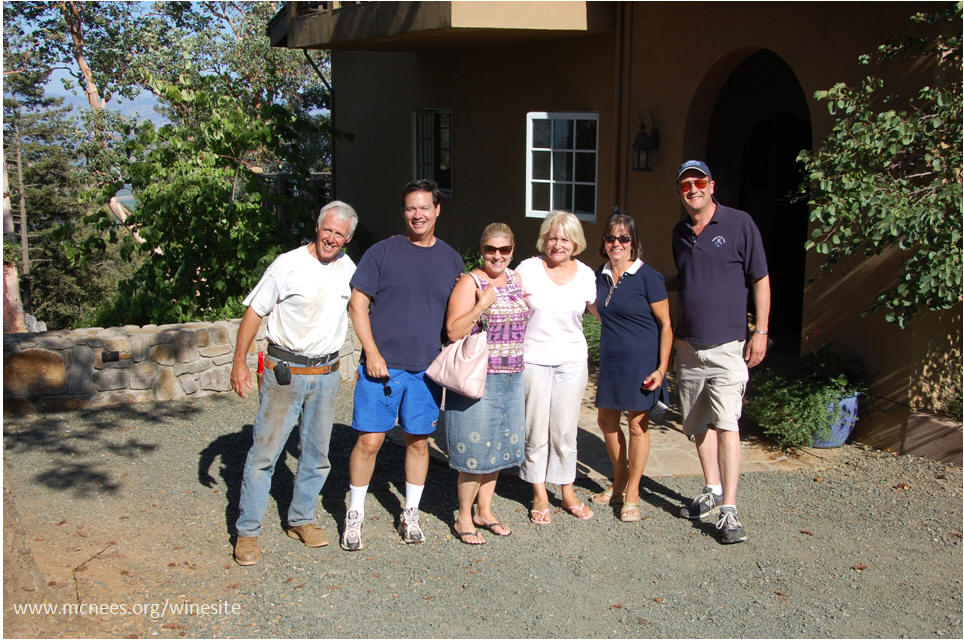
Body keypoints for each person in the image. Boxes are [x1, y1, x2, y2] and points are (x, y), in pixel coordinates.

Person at [230, 200, 359, 566]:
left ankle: (301, 519)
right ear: (317, 227)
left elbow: (362, 310)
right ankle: (247, 531)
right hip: (285, 373)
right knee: (264, 455)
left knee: (317, 455)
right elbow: (254, 311)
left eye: (339, 234)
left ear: (348, 239)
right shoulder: (287, 264)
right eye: (327, 229)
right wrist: (239, 363)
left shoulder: (348, 269)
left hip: (326, 375)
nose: (331, 238)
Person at [342, 179, 464, 551]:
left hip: (426, 370)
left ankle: (410, 512)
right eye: (411, 208)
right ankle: (355, 513)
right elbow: (357, 305)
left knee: (419, 441)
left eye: (425, 207)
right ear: (404, 212)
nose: (418, 214)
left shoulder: (451, 259)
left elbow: (457, 318)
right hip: (382, 367)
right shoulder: (382, 253)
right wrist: (372, 352)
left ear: (437, 210)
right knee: (370, 441)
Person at [668, 160, 770, 544]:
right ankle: (711, 489)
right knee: (698, 424)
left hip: (728, 346)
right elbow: (688, 278)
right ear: (680, 192)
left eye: (698, 182)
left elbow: (760, 278)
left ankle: (729, 509)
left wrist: (760, 331)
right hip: (688, 347)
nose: (692, 189)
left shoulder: (739, 223)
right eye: (685, 185)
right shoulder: (679, 233)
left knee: (727, 424)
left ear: (711, 185)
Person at [443, 223, 529, 544]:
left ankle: (485, 510)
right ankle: (464, 517)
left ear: (512, 250)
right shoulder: (470, 282)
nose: (497, 255)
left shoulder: (517, 279)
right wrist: (481, 306)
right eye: (490, 249)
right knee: (474, 450)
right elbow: (453, 331)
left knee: (497, 448)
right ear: (481, 250)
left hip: (512, 375)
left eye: (504, 249)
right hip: (479, 377)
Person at [590, 209, 673, 522]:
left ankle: (633, 491)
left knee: (637, 425)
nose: (617, 243)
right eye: (611, 238)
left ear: (633, 242)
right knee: (606, 421)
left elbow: (666, 325)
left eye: (623, 238)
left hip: (642, 363)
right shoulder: (599, 275)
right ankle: (619, 482)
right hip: (612, 361)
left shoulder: (648, 277)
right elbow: (594, 308)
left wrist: (662, 369)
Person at [515, 210, 598, 523]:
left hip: (572, 361)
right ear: (544, 240)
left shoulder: (586, 275)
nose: (558, 244)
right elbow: (504, 298)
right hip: (533, 359)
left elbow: (604, 313)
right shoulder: (528, 269)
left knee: (564, 431)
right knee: (535, 428)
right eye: (552, 238)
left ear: (575, 243)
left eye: (565, 239)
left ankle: (567, 490)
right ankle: (538, 492)